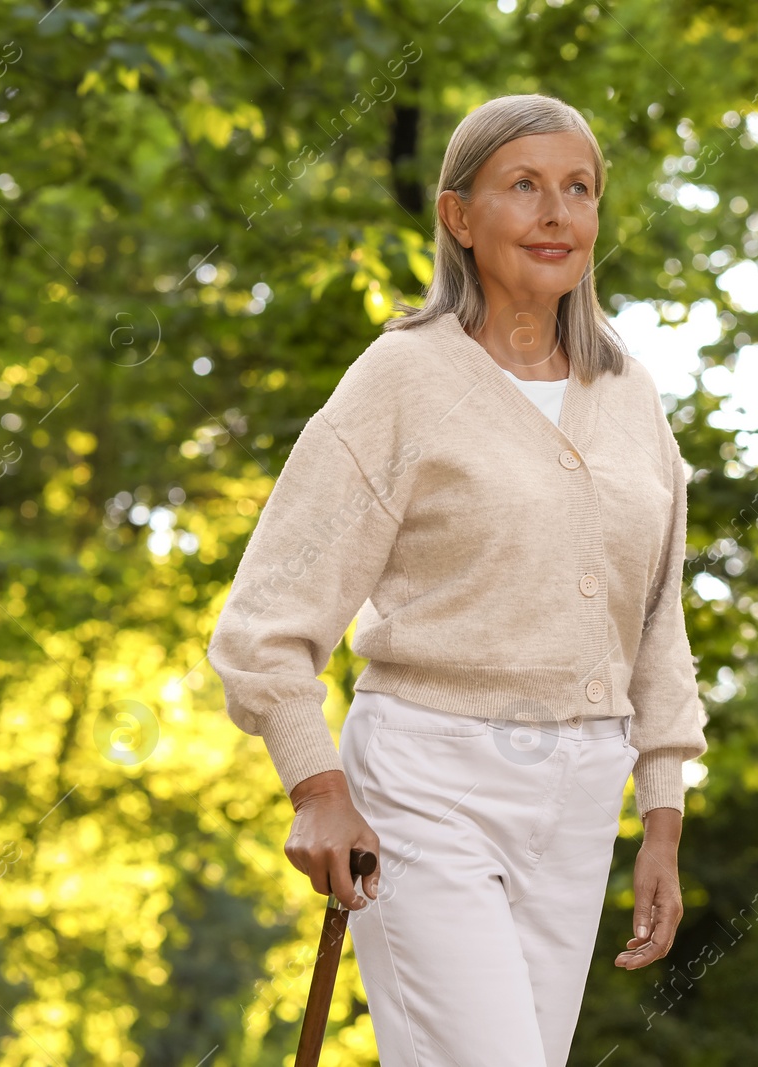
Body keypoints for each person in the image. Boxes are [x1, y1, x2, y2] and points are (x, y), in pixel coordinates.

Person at [207, 92, 708, 1066]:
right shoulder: (402, 379)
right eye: (523, 187)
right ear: (459, 216)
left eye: (579, 189)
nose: (557, 214)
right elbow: (267, 615)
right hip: (426, 782)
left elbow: (656, 621)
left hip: (580, 797)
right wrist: (316, 784)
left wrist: (662, 813)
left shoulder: (628, 391)